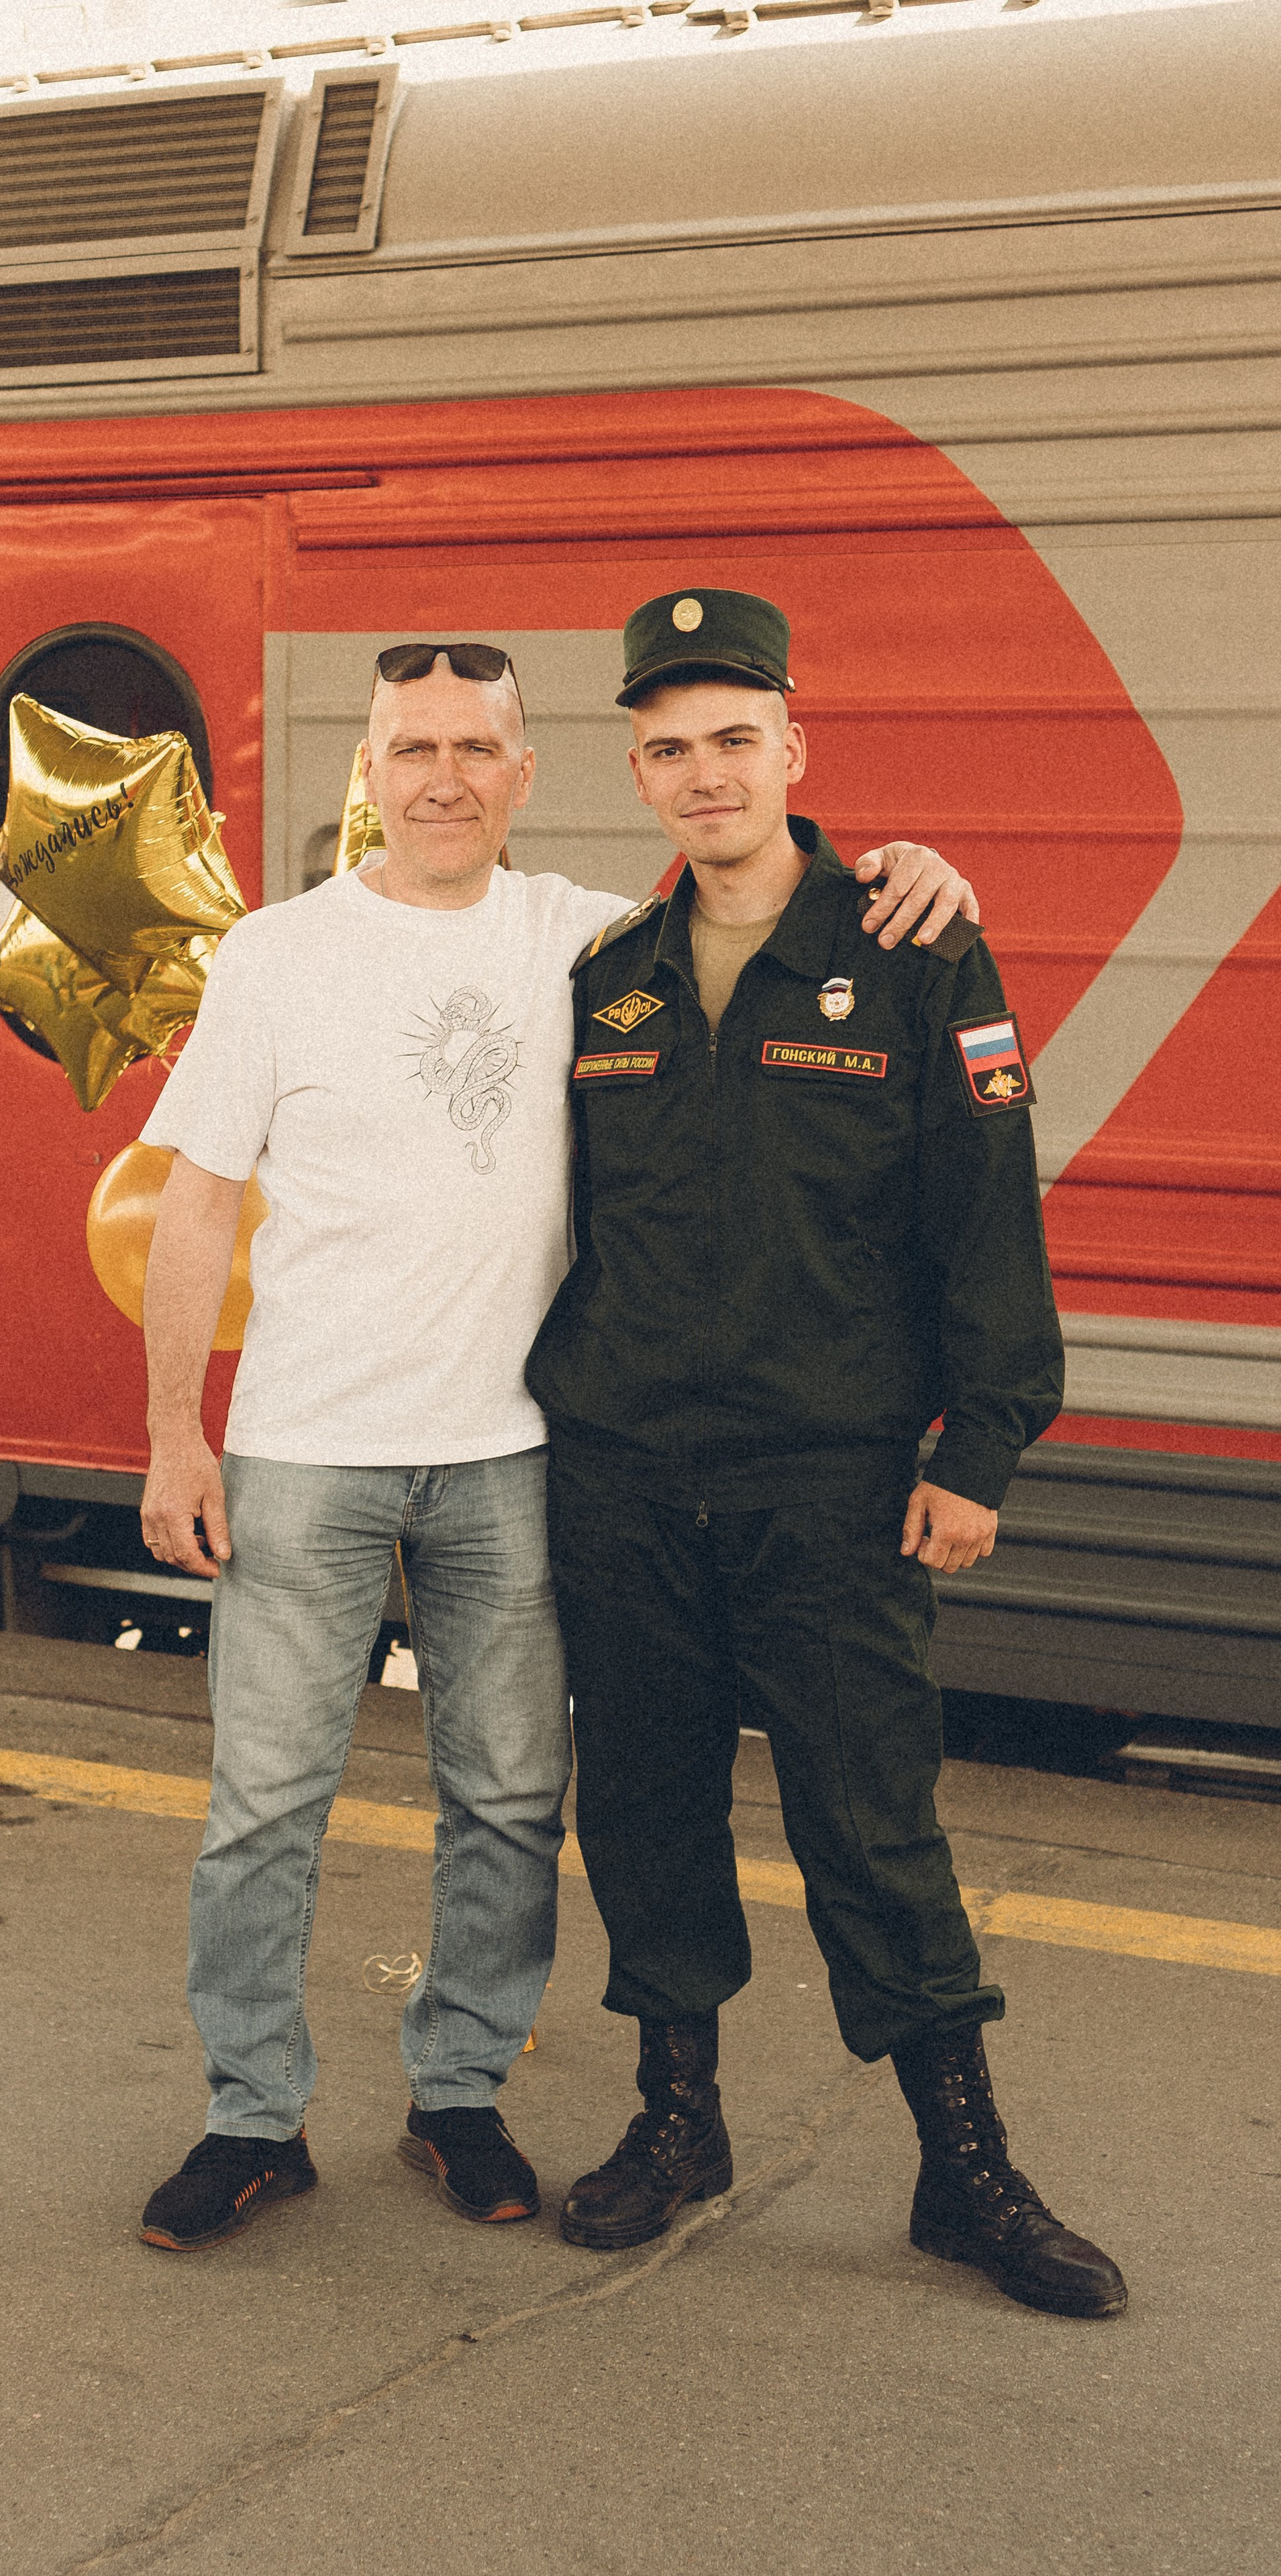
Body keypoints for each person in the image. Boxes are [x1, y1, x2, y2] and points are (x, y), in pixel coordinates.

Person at [135, 637, 977, 2252]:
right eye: (411, 748)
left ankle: (457, 2095)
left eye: (476, 748)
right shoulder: (276, 953)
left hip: (517, 1451)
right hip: (302, 1447)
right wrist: (178, 1434)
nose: (443, 777)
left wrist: (907, 872)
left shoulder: (591, 939)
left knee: (511, 1801)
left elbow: (757, 899)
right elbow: (196, 1201)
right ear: (368, 773)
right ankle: (250, 2115)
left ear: (524, 775)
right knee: (263, 1807)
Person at [525, 588, 1126, 2318]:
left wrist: (979, 1447)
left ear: (792, 748)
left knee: (869, 1820)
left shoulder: (917, 951)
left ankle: (963, 2170)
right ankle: (677, 2121)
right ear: (636, 775)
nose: (703, 773)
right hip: (625, 1471)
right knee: (644, 1802)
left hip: (830, 1479)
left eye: (733, 738)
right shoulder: (606, 979)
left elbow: (984, 1220)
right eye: (668, 749)